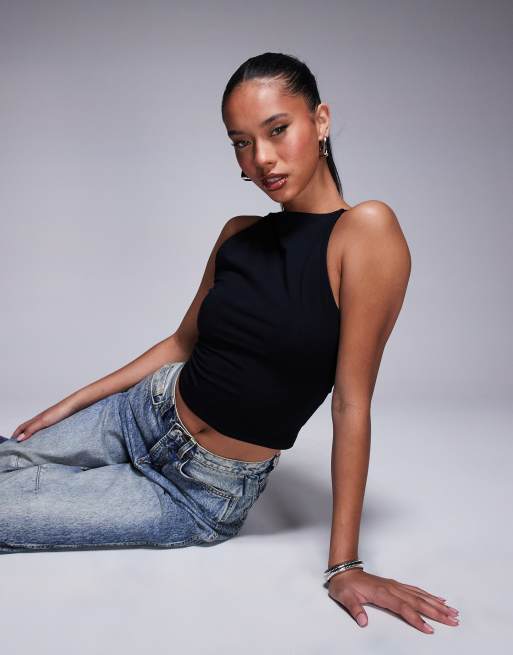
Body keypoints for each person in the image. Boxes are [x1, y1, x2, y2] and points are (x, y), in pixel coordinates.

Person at [1, 52, 459, 634]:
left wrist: (345, 565)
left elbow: (352, 401)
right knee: (8, 458)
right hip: (141, 412)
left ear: (320, 120)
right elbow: (180, 344)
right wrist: (70, 404)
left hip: (199, 490)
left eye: (277, 130)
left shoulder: (366, 231)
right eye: (242, 142)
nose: (261, 158)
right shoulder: (238, 234)